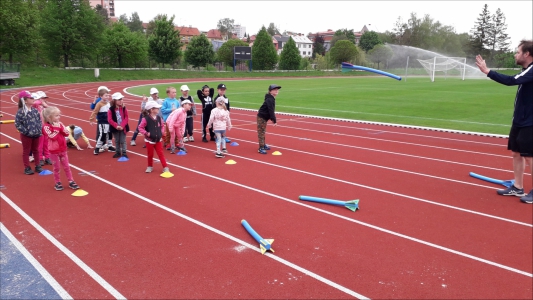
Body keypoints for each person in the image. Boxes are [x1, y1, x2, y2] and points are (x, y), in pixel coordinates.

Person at [475, 39, 533, 204]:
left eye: (518, 52)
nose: (515, 55)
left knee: (530, 156)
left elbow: (511, 80)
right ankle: (518, 186)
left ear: (527, 54)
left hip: (530, 121)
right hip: (520, 120)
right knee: (516, 152)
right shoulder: (527, 70)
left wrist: (487, 71)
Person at [42, 106, 80, 191]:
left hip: (63, 149)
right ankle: (57, 182)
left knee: (66, 167)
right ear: (49, 117)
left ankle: (71, 181)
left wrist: (61, 128)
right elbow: (52, 137)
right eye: (56, 115)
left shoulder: (60, 124)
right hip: (53, 151)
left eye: (59, 115)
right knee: (56, 168)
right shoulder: (46, 127)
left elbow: (66, 133)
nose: (59, 117)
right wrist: (56, 128)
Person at [138, 101, 170, 173]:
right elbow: (140, 127)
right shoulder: (145, 119)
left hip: (158, 140)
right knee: (150, 154)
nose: (158, 109)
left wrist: (161, 132)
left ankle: (165, 167)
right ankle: (150, 166)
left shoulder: (159, 118)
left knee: (161, 154)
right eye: (157, 108)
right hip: (149, 141)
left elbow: (162, 125)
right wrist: (146, 133)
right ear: (152, 110)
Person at [15, 91, 43, 175]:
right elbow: (17, 124)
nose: (33, 99)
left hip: (36, 134)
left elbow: (39, 121)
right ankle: (27, 167)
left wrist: (39, 130)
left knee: (36, 150)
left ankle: (37, 166)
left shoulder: (35, 110)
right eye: (31, 98)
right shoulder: (21, 112)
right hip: (26, 136)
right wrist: (26, 132)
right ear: (25, 100)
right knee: (26, 151)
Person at [89, 89, 115, 155]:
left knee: (109, 134)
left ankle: (110, 146)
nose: (107, 97)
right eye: (105, 96)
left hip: (109, 122)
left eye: (108, 95)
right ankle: (97, 148)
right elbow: (95, 112)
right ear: (101, 96)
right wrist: (91, 119)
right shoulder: (99, 104)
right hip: (102, 122)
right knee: (102, 135)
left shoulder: (109, 103)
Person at [257, 84, 281, 154]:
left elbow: (271, 110)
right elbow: (271, 110)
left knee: (263, 131)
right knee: (261, 132)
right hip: (262, 117)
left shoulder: (271, 98)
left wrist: (272, 119)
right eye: (274, 90)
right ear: (270, 91)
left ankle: (263, 145)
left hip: (264, 117)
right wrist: (274, 120)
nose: (276, 91)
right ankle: (261, 148)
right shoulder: (270, 99)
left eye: (277, 90)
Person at [32, 92, 52, 166]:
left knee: (46, 143)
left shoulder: (42, 106)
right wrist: (41, 102)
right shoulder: (35, 105)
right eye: (43, 98)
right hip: (38, 127)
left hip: (45, 126)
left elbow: (49, 110)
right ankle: (40, 158)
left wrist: (45, 105)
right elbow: (35, 103)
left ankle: (47, 157)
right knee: (40, 144)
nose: (45, 100)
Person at [107, 92, 130, 158]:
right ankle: (117, 152)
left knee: (123, 140)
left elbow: (126, 118)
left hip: (123, 127)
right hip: (115, 128)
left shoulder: (124, 108)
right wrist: (116, 126)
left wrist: (122, 126)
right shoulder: (110, 110)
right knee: (117, 140)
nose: (121, 101)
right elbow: (110, 119)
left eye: (121, 99)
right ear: (114, 101)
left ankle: (124, 152)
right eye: (119, 99)